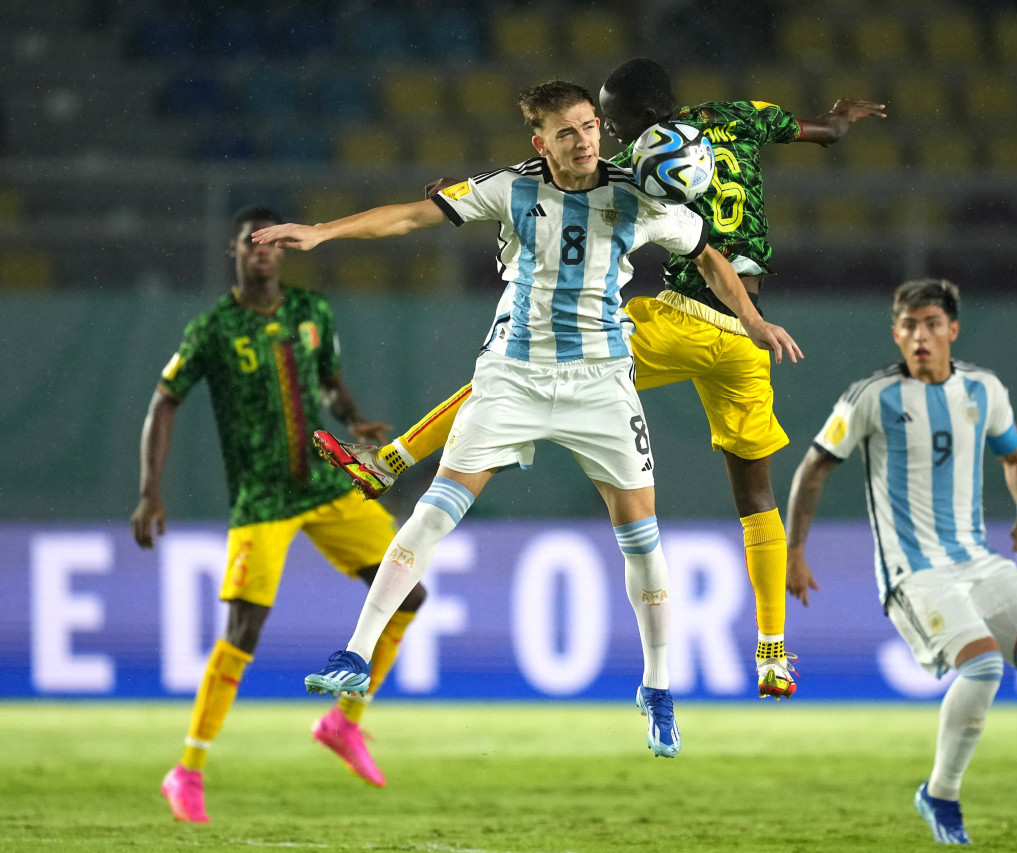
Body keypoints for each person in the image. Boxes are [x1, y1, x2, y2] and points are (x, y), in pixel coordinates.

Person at [253, 81, 801, 758]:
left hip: (602, 383)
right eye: (564, 133)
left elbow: (708, 255)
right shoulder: (509, 188)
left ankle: (658, 687)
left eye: (589, 126)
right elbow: (409, 218)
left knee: (642, 541)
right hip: (512, 375)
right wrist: (323, 231)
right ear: (540, 143)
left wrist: (751, 318)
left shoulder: (641, 192)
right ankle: (355, 651)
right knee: (433, 512)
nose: (582, 141)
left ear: (601, 126)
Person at [311, 57, 883, 699]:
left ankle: (390, 461)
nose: (600, 137)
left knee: (541, 352)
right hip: (744, 337)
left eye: (605, 122)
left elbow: (649, 215)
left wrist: (481, 192)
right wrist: (838, 119)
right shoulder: (736, 118)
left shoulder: (643, 160)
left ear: (628, 120)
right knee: (755, 494)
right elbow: (822, 136)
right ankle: (773, 654)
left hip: (674, 318)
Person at [784, 279, 1017, 845]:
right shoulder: (870, 397)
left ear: (953, 330)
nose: (921, 336)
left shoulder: (983, 390)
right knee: (984, 667)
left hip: (978, 561)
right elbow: (813, 468)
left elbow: (1014, 455)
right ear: (896, 333)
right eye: (909, 326)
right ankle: (940, 794)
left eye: (932, 324)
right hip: (912, 572)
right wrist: (795, 551)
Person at [131, 205, 426, 824]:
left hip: (321, 485)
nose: (262, 250)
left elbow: (329, 383)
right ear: (235, 253)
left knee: (408, 592)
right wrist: (150, 491)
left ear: (283, 252)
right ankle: (186, 769)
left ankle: (343, 725)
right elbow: (164, 403)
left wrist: (353, 420)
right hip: (262, 496)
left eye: (271, 242)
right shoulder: (212, 329)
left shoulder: (310, 313)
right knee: (243, 633)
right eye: (250, 242)